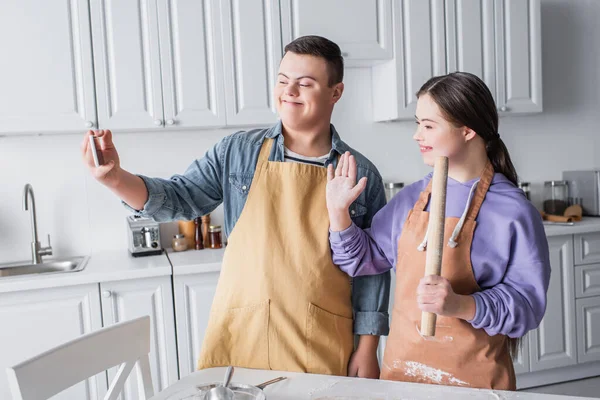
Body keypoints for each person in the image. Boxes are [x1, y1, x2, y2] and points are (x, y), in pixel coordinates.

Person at [81, 35, 390, 378]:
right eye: (283, 80)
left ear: (336, 92)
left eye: (305, 84)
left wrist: (368, 346)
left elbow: (372, 271)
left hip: (318, 337)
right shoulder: (237, 152)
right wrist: (114, 178)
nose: (289, 91)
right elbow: (180, 198)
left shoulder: (360, 174)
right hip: (243, 331)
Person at [325, 72, 551, 389]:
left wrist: (459, 305)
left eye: (429, 126)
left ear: (468, 130)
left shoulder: (513, 212)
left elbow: (526, 308)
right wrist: (338, 214)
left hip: (474, 384)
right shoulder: (410, 200)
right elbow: (362, 260)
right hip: (402, 379)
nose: (417, 135)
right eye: (418, 123)